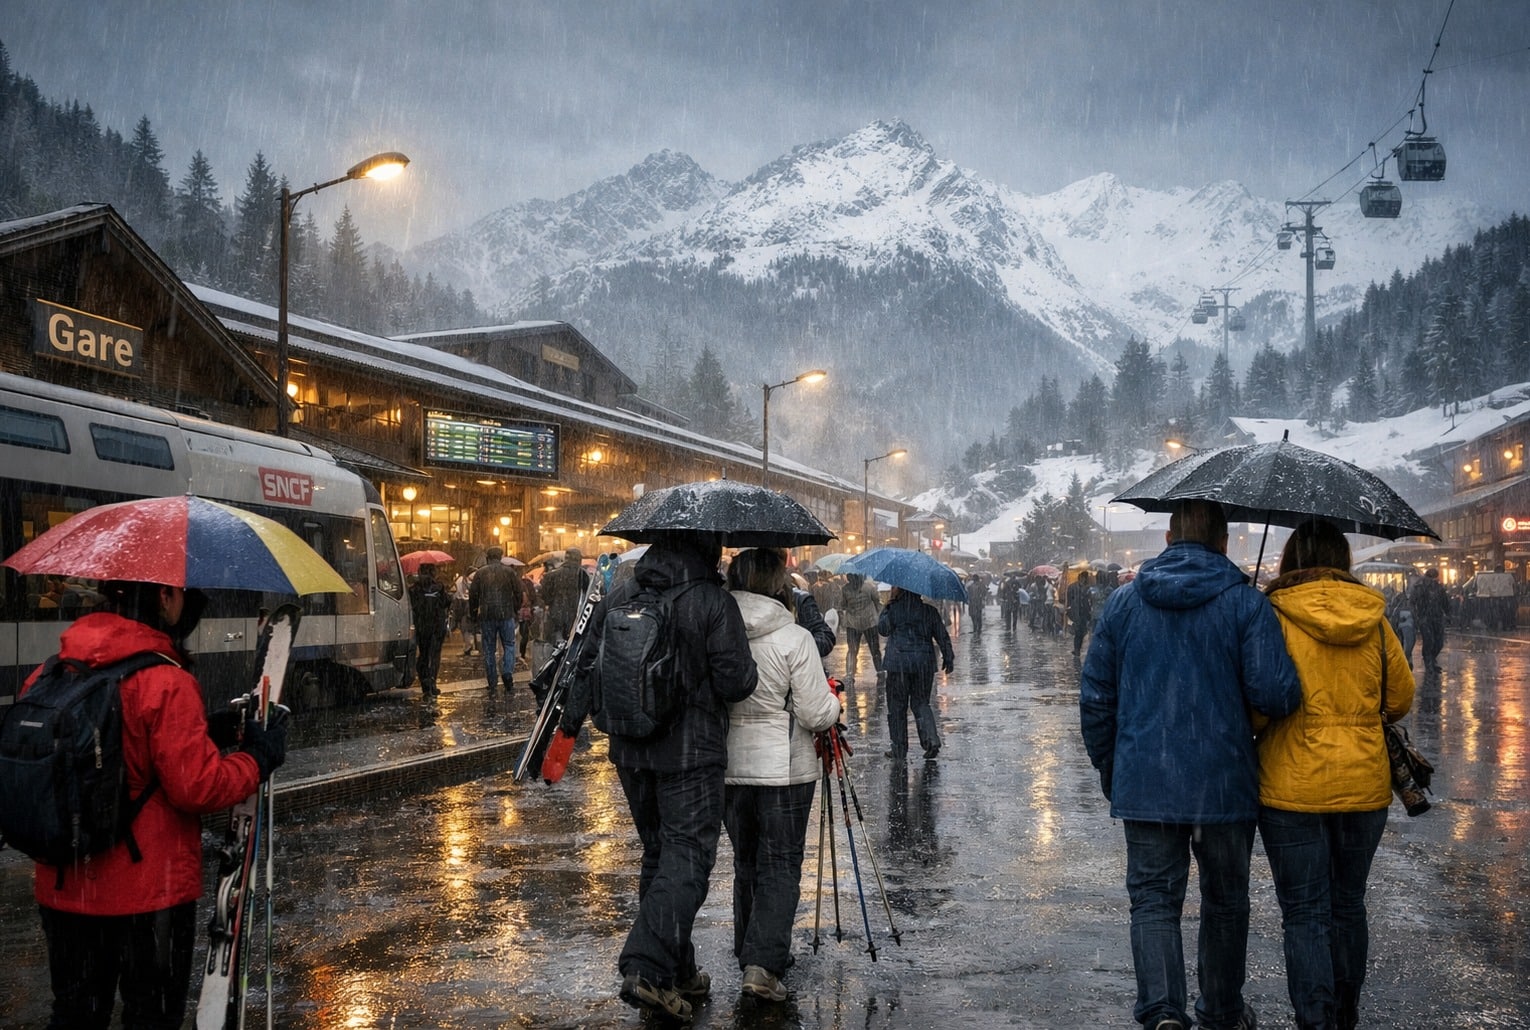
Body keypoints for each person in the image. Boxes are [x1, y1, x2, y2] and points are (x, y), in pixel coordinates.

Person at [24, 578, 286, 1029]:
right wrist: (257, 758)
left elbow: (111, 749)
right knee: (151, 1017)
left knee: (75, 1016)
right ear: (164, 596)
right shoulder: (165, 680)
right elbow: (197, 788)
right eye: (180, 591)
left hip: (65, 886)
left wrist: (205, 730)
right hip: (148, 895)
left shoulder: (50, 671)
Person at [1080, 499, 1302, 1030]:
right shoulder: (1245, 606)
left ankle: (1162, 1012)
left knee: (1155, 899)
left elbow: (1095, 698)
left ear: (1168, 538)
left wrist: (1112, 764)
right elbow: (1276, 694)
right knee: (1225, 900)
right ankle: (1222, 1008)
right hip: (1224, 782)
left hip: (1146, 777)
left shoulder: (1124, 604)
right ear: (1224, 544)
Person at [558, 533, 758, 1022]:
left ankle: (678, 970)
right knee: (688, 856)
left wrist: (568, 726)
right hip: (691, 754)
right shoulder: (713, 600)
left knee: (660, 855)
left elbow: (590, 664)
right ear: (707, 552)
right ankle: (647, 968)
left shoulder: (623, 594)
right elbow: (737, 682)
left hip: (631, 748)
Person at [1256, 520, 1415, 1030]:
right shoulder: (1374, 618)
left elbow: (1260, 704)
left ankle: (1315, 1018)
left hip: (1290, 785)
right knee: (1347, 904)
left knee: (1304, 912)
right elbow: (1401, 698)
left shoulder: (1272, 616)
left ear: (1288, 559)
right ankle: (1345, 1012)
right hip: (1363, 785)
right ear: (1345, 559)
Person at [721, 549, 842, 1002]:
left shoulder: (717, 632)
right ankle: (763, 963)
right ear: (777, 584)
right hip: (785, 773)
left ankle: (747, 946)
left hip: (729, 767)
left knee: (745, 861)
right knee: (780, 864)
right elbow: (815, 712)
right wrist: (836, 704)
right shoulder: (794, 638)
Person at [878, 585, 954, 762]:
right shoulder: (929, 611)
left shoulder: (894, 609)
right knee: (921, 703)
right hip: (923, 665)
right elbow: (942, 635)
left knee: (897, 707)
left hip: (899, 666)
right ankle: (931, 739)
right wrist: (948, 656)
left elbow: (883, 629)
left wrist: (887, 606)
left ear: (901, 590)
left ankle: (899, 748)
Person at [468, 546, 525, 694]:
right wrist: (515, 608)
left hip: (487, 615)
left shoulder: (480, 573)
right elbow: (518, 592)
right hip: (506, 614)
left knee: (489, 649)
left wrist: (474, 613)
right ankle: (507, 672)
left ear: (488, 557)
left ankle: (492, 681)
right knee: (509, 645)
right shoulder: (509, 572)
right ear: (501, 557)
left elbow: (473, 595)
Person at [408, 561, 451, 699]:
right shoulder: (438, 587)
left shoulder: (414, 589)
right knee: (435, 655)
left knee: (423, 654)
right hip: (437, 627)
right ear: (433, 572)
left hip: (422, 627)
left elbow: (412, 607)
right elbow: (446, 602)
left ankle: (424, 683)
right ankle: (432, 682)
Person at [838, 572, 884, 683]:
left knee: (852, 650)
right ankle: (880, 671)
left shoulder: (845, 589)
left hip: (853, 623)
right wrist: (880, 616)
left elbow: (843, 605)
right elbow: (877, 602)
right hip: (869, 621)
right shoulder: (869, 587)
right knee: (875, 649)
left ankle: (850, 673)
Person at [541, 546, 591, 641]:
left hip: (556, 613)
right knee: (573, 642)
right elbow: (588, 595)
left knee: (556, 642)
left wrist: (551, 603)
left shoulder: (552, 575)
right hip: (576, 613)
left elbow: (545, 595)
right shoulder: (584, 575)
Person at [1409, 567, 1450, 672]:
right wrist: (1416, 616)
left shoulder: (1438, 588)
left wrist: (1448, 614)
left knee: (1438, 642)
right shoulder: (1419, 587)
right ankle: (1429, 663)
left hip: (1437, 617)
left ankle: (1431, 659)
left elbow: (1445, 602)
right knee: (1429, 641)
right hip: (1425, 618)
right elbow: (1413, 602)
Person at [1066, 569, 1093, 656]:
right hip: (1076, 612)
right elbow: (1069, 600)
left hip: (1085, 613)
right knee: (1078, 631)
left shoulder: (1088, 588)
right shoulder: (1072, 587)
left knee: (1083, 631)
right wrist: (1069, 610)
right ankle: (1077, 649)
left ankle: (1077, 648)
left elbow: (1089, 601)